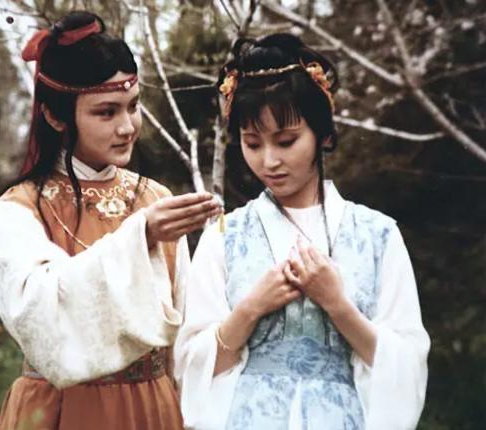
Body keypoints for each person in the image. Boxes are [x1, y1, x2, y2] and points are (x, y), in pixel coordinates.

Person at [174, 34, 430, 430]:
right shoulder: (224, 236)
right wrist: (251, 308)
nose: (269, 161)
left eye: (286, 141)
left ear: (323, 134)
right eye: (252, 143)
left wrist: (338, 305)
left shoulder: (378, 236)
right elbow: (190, 366)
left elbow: (407, 367)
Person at [0, 11, 221, 430]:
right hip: (62, 411)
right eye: (106, 112)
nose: (127, 127)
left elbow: (185, 333)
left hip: (153, 408)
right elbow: (43, 319)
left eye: (134, 106)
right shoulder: (17, 211)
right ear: (56, 116)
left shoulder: (156, 200)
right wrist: (140, 236)